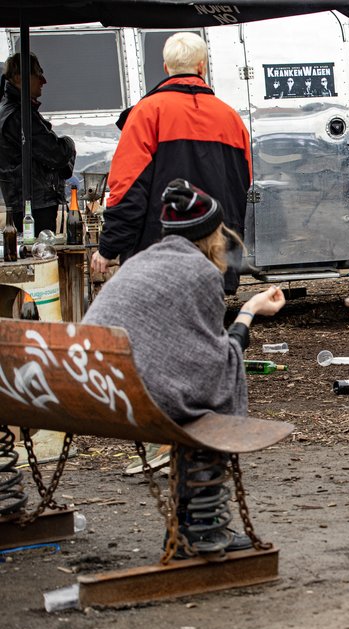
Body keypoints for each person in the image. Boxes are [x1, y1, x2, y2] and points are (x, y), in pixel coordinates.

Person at [84, 179, 285, 555]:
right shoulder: (200, 273)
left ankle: (195, 524)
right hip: (131, 399)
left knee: (197, 389)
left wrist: (247, 312)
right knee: (207, 405)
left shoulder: (143, 259)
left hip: (84, 388)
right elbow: (213, 366)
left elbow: (189, 352)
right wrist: (249, 312)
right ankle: (201, 528)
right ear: (212, 235)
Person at [91, 32, 251, 294]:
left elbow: (127, 189)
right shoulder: (231, 119)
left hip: (157, 260)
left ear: (166, 68)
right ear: (202, 67)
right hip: (214, 260)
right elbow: (240, 192)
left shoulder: (146, 113)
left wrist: (109, 247)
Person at [0, 52, 75, 235]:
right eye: (38, 74)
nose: (44, 80)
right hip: (34, 204)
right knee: (41, 255)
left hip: (26, 201)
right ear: (19, 77)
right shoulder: (19, 115)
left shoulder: (13, 110)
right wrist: (69, 143)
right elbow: (55, 153)